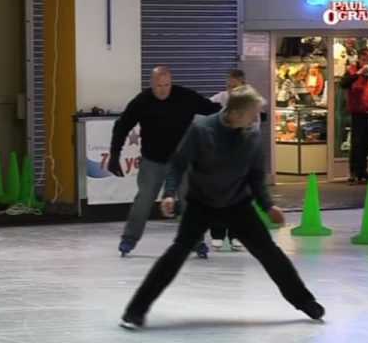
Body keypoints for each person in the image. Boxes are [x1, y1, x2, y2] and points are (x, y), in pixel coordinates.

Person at [119, 86, 325, 330]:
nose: (256, 120)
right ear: (236, 113)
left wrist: (268, 206)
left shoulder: (252, 137)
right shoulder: (201, 129)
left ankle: (305, 302)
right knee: (175, 256)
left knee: (270, 254)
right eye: (253, 114)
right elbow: (178, 164)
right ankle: (135, 311)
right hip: (201, 203)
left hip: (237, 204)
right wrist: (170, 194)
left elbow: (256, 177)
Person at [108, 66, 221, 257]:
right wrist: (114, 155)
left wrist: (242, 116)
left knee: (189, 201)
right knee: (144, 200)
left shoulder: (185, 96)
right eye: (159, 85)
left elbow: (213, 110)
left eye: (167, 85)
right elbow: (122, 126)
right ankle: (129, 239)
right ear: (152, 84)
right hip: (153, 161)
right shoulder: (142, 101)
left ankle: (195, 240)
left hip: (184, 161)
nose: (163, 90)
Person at [209, 69, 248, 251]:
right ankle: (217, 233)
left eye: (234, 87)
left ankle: (236, 235)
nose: (230, 90)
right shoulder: (218, 100)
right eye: (228, 86)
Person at [340, 48, 368, 184]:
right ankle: (353, 172)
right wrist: (359, 73)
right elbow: (343, 84)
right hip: (357, 112)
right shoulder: (352, 71)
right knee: (356, 143)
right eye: (365, 59)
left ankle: (363, 171)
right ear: (359, 59)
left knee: (366, 143)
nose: (367, 63)